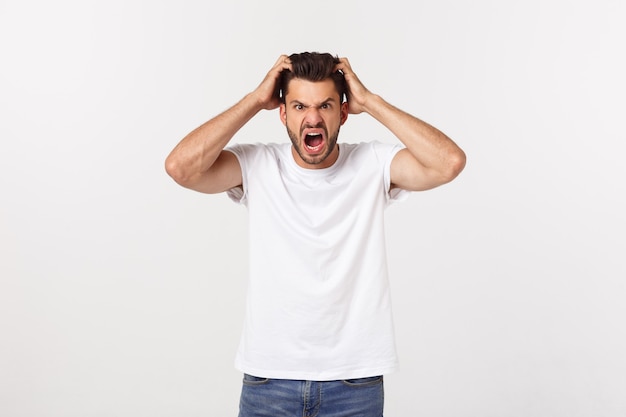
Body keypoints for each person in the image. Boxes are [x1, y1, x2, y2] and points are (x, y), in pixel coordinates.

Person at [165, 52, 466, 417]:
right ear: (283, 113)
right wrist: (253, 100)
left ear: (342, 113)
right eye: (299, 106)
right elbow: (180, 168)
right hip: (269, 380)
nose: (313, 118)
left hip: (355, 382)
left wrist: (370, 102)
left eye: (325, 105)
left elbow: (449, 162)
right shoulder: (257, 165)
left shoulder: (373, 164)